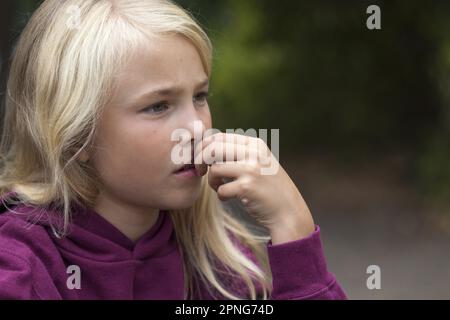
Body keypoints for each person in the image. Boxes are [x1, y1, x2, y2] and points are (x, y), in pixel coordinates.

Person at [0, 0, 347, 300]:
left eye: (199, 96)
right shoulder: (19, 268)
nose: (197, 128)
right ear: (76, 136)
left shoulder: (217, 261)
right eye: (158, 106)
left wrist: (293, 230)